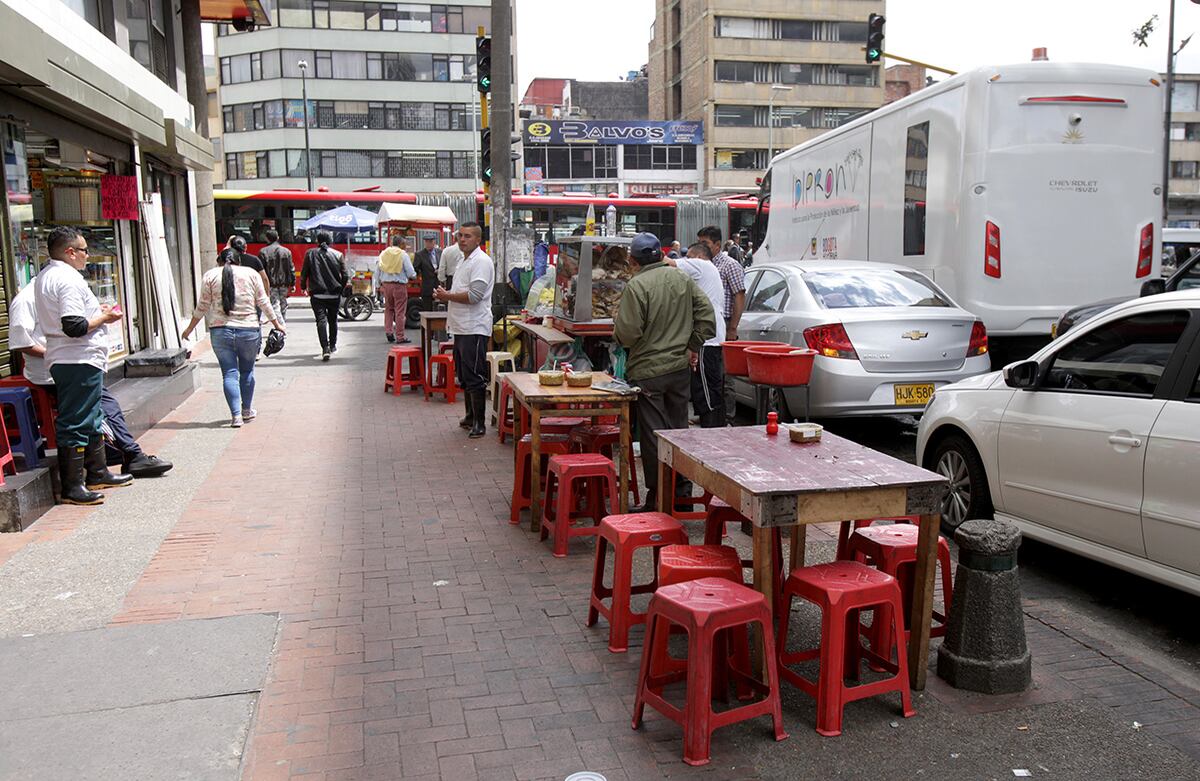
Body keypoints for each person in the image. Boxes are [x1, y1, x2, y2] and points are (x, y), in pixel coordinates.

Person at [10, 282, 173, 478]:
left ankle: (120, 459)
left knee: (103, 403)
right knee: (100, 406)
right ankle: (126, 456)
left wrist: (99, 314)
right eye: (84, 251)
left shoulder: (58, 293)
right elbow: (21, 342)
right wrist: (56, 354)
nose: (87, 256)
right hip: (53, 371)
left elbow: (73, 326)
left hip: (76, 364)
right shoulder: (27, 299)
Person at [614, 233, 716, 512]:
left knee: (653, 436)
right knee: (679, 431)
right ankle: (682, 494)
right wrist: (692, 344)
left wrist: (625, 339)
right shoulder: (682, 279)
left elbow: (627, 333)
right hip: (679, 369)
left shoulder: (637, 286)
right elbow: (708, 317)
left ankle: (658, 498)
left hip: (648, 373)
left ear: (633, 260)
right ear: (661, 254)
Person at [34, 226, 131, 505]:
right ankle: (73, 486)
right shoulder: (67, 279)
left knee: (91, 415)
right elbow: (74, 326)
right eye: (85, 250)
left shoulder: (47, 276)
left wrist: (95, 314)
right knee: (77, 419)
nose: (88, 256)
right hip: (76, 358)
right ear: (70, 252)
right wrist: (105, 319)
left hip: (72, 357)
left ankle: (98, 472)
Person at [182, 246, 285, 427]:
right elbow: (263, 302)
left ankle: (236, 416)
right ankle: (247, 410)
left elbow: (202, 306)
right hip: (249, 330)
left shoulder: (210, 275)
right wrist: (277, 325)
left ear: (220, 261)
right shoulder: (251, 274)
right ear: (239, 260)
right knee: (247, 371)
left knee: (229, 373)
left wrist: (189, 330)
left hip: (220, 331)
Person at [433, 222, 494, 438]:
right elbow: (461, 291)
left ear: (478, 240)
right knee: (465, 374)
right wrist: (446, 293)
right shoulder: (462, 260)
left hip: (474, 326)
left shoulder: (481, 262)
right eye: (460, 235)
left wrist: (447, 296)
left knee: (475, 374)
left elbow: (475, 296)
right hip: (460, 326)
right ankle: (470, 416)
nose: (462, 239)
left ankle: (480, 422)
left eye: (467, 236)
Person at [665, 242, 726, 429]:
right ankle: (712, 425)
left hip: (707, 339)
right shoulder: (709, 271)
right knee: (707, 386)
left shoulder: (701, 265)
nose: (687, 261)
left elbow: (668, 262)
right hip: (711, 337)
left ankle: (712, 430)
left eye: (689, 257)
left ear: (698, 256)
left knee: (706, 389)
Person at [698, 225, 746, 424]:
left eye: (705, 243)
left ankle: (728, 418)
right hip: (708, 326)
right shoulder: (702, 264)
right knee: (710, 377)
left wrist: (732, 328)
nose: (702, 247)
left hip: (725, 324)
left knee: (725, 377)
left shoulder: (729, 265)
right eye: (700, 243)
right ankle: (712, 416)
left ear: (717, 245)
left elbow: (739, 295)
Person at [300, 230, 349, 361]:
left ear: (317, 241)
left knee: (321, 321)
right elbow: (345, 275)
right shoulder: (338, 255)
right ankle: (333, 346)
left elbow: (304, 273)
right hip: (334, 294)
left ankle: (325, 348)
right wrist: (341, 288)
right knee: (333, 320)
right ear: (330, 241)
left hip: (317, 294)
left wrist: (303, 287)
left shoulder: (310, 253)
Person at [376, 235, 416, 343]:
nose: (406, 246)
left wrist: (377, 285)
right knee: (400, 311)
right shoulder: (403, 255)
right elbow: (411, 272)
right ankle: (400, 336)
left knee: (388, 309)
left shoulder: (383, 253)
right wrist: (414, 276)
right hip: (399, 286)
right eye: (404, 244)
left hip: (386, 285)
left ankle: (389, 332)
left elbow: (377, 270)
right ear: (401, 244)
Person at [259, 229, 295, 322]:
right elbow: (291, 268)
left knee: (275, 304)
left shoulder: (263, 252)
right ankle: (282, 321)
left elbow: (261, 270)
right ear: (278, 238)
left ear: (267, 239)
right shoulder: (286, 251)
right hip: (284, 283)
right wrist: (293, 283)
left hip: (271, 283)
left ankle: (281, 326)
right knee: (283, 303)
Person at [412, 236, 440, 312]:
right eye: (426, 242)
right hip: (427, 286)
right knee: (427, 309)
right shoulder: (419, 254)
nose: (428, 244)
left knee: (439, 309)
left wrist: (440, 270)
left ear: (434, 242)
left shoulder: (440, 252)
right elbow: (415, 269)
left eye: (430, 242)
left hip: (439, 285)